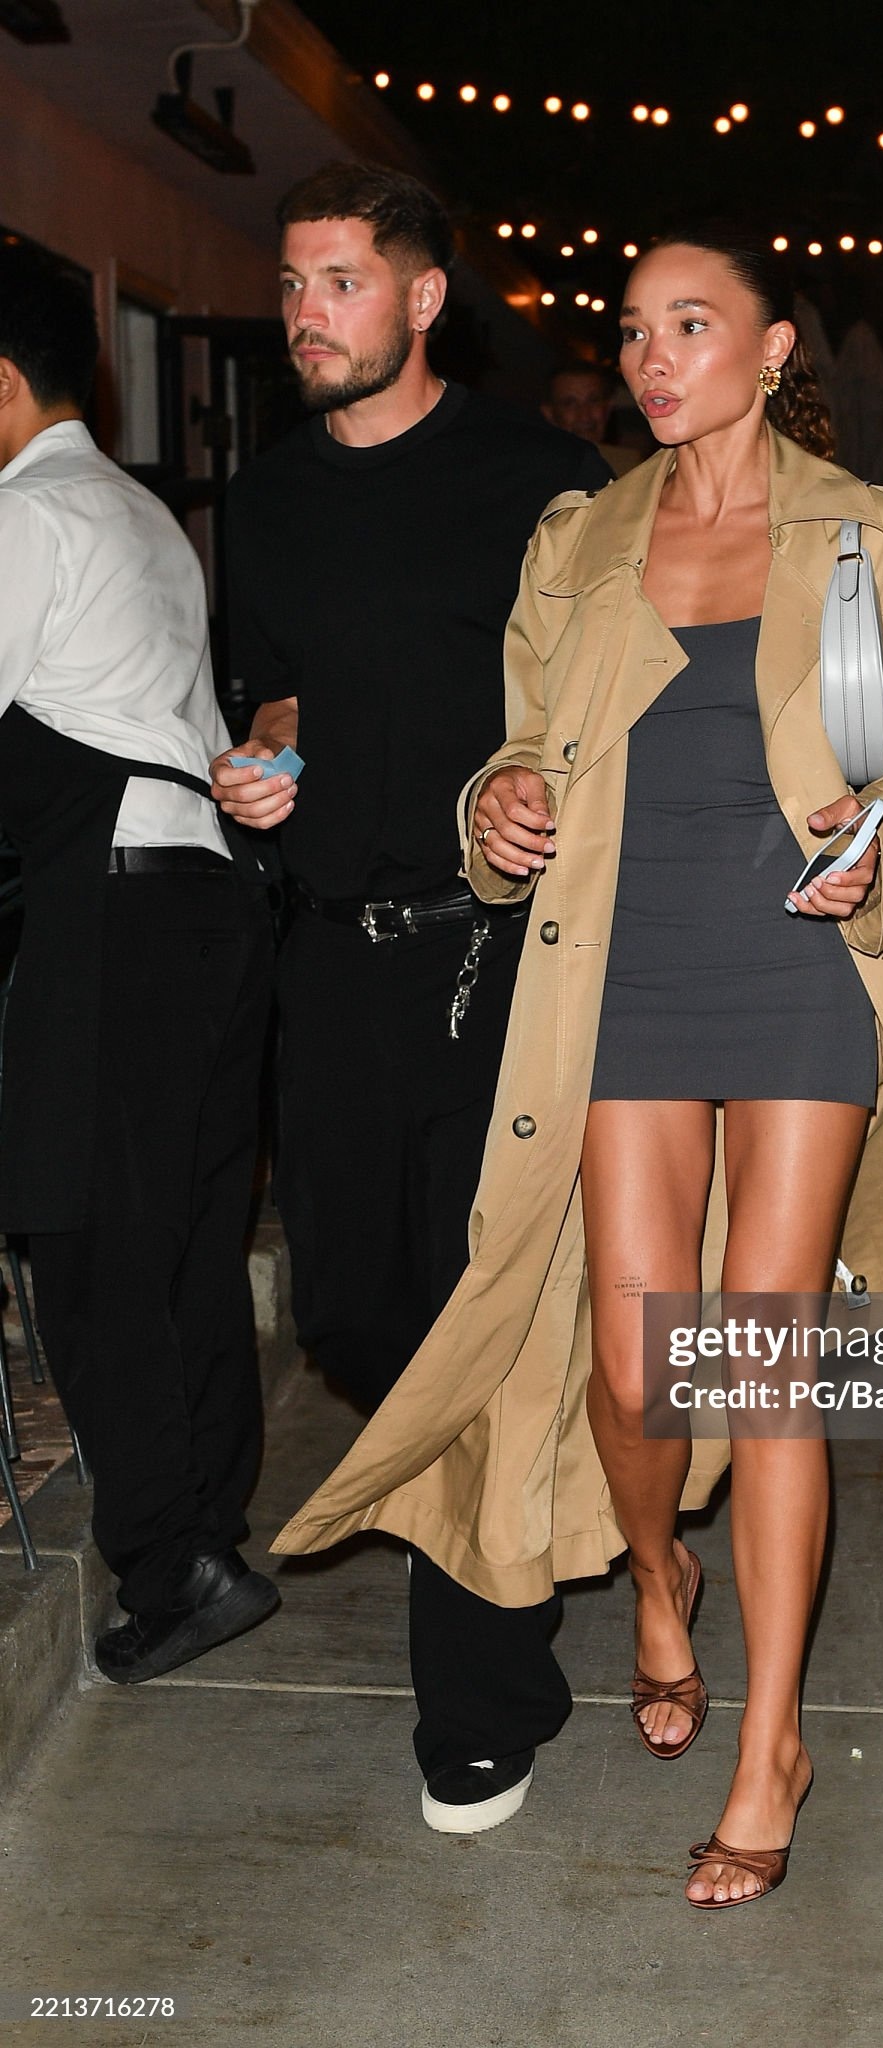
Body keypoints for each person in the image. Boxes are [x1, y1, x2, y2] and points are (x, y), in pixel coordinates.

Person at [272, 225, 883, 1906]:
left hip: (800, 964)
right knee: (632, 1373)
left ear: (770, 348)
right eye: (635, 328)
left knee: (758, 1358)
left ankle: (773, 1747)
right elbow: (516, 752)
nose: (655, 355)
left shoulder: (862, 535)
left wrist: (880, 847)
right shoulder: (580, 538)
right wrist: (495, 809)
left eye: (693, 323)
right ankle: (660, 1575)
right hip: (621, 970)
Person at [214, 163, 610, 1833]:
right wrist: (266, 760)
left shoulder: (540, 483)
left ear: (423, 298)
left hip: (491, 957)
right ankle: (518, 1532)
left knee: (474, 1318)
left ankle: (478, 1694)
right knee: (352, 1316)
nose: (304, 315)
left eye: (339, 284)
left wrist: (538, 792)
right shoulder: (267, 499)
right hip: (327, 958)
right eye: (292, 286)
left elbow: (606, 699)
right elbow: (283, 686)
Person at [0, 246, 277, 1680]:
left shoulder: (25, 514)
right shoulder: (144, 513)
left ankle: (174, 1565)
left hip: (112, 905)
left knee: (87, 1244)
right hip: (207, 901)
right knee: (184, 1244)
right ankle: (207, 1530)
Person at [541, 361, 641, 475]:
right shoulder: (537, 469)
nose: (584, 416)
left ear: (608, 407)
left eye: (594, 401)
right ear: (549, 413)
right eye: (570, 404)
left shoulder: (631, 466)